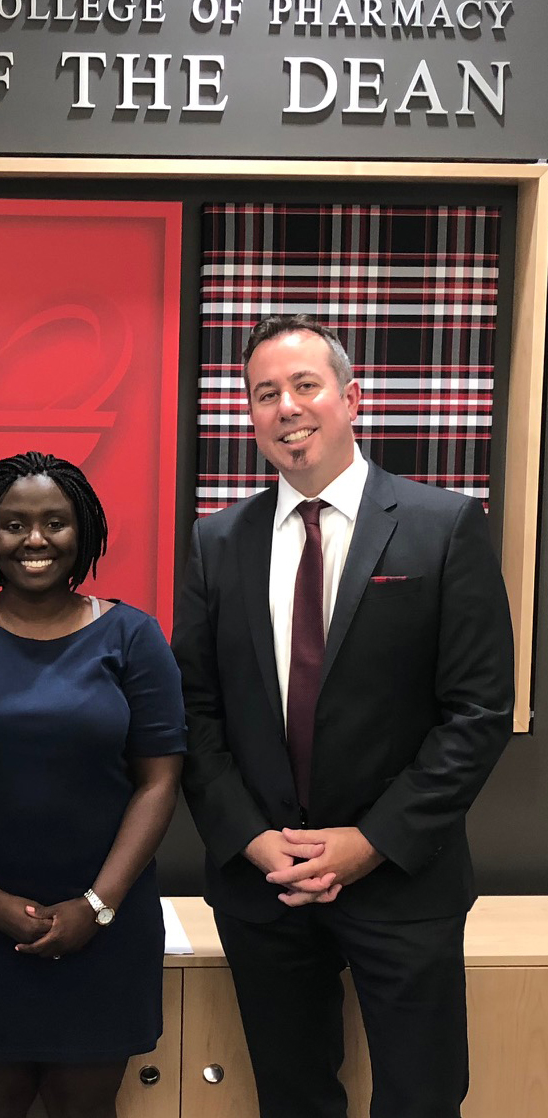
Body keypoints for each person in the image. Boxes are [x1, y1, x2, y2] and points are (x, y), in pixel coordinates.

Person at [172, 315, 514, 1118]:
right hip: (268, 883)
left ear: (350, 398)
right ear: (249, 415)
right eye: (265, 393)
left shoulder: (444, 526)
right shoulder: (217, 542)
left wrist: (370, 843)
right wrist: (252, 839)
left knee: (422, 1098)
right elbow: (194, 709)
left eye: (304, 385)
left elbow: (478, 711)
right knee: (293, 1100)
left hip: (402, 878)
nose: (286, 406)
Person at [0, 451, 185, 1118]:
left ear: (85, 531)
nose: (35, 539)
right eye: (14, 523)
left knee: (88, 1103)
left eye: (56, 521)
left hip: (105, 928)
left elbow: (159, 783)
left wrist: (97, 905)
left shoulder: (135, 638)